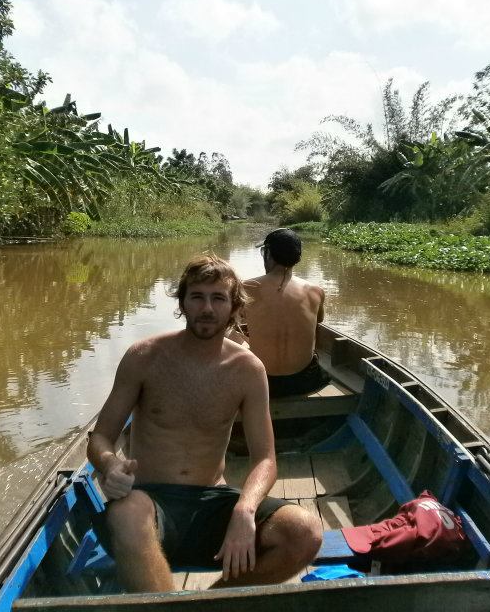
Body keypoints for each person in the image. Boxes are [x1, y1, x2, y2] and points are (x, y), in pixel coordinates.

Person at [86, 253, 322, 593]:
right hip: (151, 501)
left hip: (213, 500)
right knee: (125, 514)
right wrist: (109, 465)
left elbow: (266, 459)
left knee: (305, 532)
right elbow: (101, 438)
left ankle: (213, 600)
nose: (207, 309)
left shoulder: (248, 370)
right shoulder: (145, 356)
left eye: (218, 298)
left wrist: (245, 508)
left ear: (235, 306)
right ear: (182, 302)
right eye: (197, 297)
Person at [238, 228, 328, 398]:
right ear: (298, 257)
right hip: (304, 381)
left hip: (262, 380)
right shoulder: (316, 291)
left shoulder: (246, 287)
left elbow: (232, 319)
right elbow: (319, 320)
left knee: (230, 333)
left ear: (268, 255)